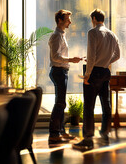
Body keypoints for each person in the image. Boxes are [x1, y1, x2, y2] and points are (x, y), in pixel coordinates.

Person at [73, 9, 120, 150]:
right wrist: (105, 61)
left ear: (93, 18)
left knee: (89, 106)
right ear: (103, 19)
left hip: (94, 72)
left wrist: (87, 74)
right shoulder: (112, 35)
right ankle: (105, 133)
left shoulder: (92, 33)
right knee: (106, 104)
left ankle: (88, 138)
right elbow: (117, 55)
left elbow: (92, 56)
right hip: (105, 71)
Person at [48, 9, 82, 145]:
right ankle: (54, 134)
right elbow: (55, 57)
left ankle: (60, 131)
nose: (70, 22)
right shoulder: (56, 36)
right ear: (60, 20)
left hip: (62, 71)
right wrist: (71, 59)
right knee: (60, 103)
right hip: (59, 71)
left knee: (61, 103)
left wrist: (72, 60)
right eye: (68, 19)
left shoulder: (61, 35)